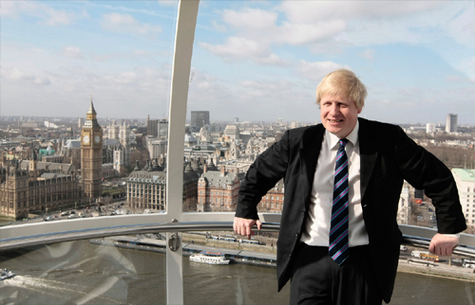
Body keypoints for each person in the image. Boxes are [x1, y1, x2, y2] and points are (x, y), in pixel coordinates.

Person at [233, 69, 466, 305]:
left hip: (364, 262)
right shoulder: (298, 141)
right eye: (327, 103)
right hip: (309, 259)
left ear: (358, 107)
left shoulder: (387, 140)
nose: (333, 112)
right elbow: (258, 173)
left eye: (342, 104)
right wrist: (245, 210)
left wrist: (448, 229)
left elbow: (437, 178)